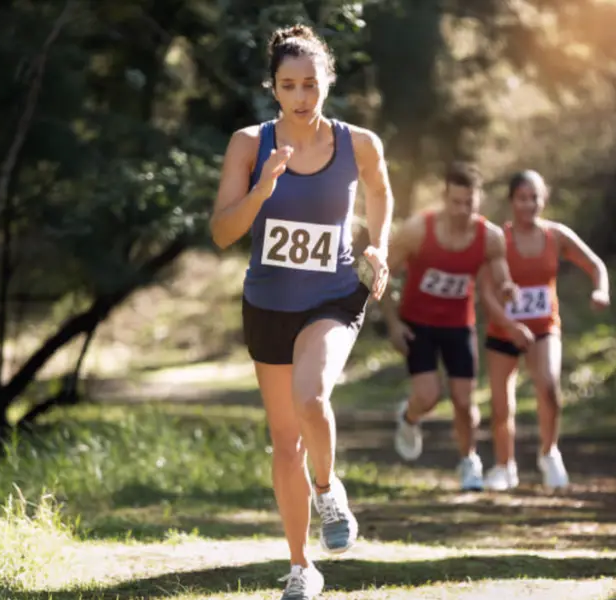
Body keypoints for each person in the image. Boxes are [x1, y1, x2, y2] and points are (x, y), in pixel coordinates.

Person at [208, 24, 394, 600]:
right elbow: (221, 232)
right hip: (268, 303)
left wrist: (378, 246)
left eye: (311, 84)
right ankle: (300, 567)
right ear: (274, 88)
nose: (301, 96)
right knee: (284, 438)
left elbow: (381, 193)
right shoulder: (248, 144)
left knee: (312, 397)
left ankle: (327, 489)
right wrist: (261, 190)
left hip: (333, 297)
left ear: (327, 83)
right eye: (289, 85)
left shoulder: (358, 142)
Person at [381, 161, 519, 491]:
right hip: (418, 324)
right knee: (428, 396)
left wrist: (507, 288)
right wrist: (393, 324)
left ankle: (469, 462)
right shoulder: (418, 230)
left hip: (459, 325)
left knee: (464, 401)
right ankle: (409, 417)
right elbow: (382, 275)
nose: (461, 210)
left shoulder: (490, 237)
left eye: (468, 203)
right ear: (445, 199)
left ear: (478, 200)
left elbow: (502, 275)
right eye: (455, 202)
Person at [478, 170, 610, 492]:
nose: (528, 204)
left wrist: (601, 291)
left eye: (534, 197)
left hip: (544, 327)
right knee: (500, 406)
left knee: (549, 388)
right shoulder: (498, 240)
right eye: (521, 198)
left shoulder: (556, 235)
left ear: (544, 199)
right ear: (511, 201)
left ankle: (549, 453)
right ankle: (503, 466)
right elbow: (486, 293)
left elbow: (596, 265)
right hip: (503, 330)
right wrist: (510, 326)